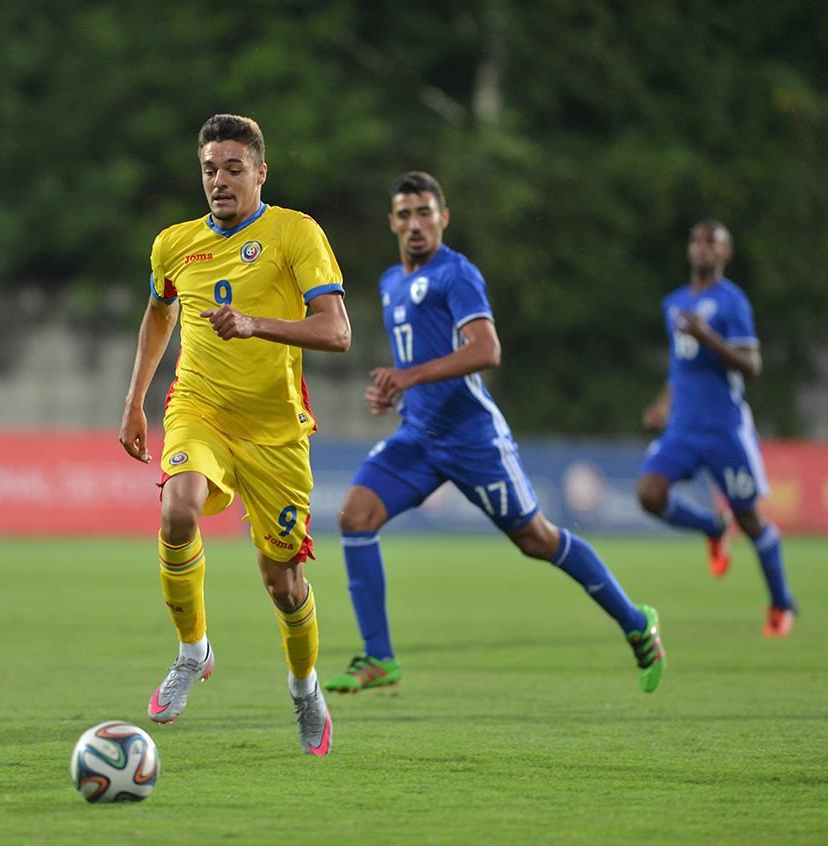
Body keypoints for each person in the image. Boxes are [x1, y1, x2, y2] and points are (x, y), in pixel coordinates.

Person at [323, 171, 666, 696]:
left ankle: (636, 622)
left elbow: (487, 350)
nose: (415, 224)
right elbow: (419, 358)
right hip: (418, 437)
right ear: (392, 221)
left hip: (472, 438)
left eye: (425, 213)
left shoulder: (457, 274)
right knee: (355, 515)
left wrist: (409, 376)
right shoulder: (392, 282)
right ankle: (379, 657)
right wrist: (396, 391)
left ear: (443, 217)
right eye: (405, 214)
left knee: (537, 539)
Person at [119, 114, 351, 756]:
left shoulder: (295, 232)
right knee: (178, 508)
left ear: (260, 173)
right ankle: (192, 650)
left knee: (283, 582)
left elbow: (337, 332)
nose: (218, 181)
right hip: (200, 408)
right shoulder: (174, 244)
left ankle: (304, 688)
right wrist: (135, 401)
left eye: (232, 168)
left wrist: (255, 324)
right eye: (209, 170)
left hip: (275, 431)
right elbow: (159, 312)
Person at [636, 220, 796, 637]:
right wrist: (663, 402)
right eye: (697, 241)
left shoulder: (732, 302)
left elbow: (752, 365)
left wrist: (710, 338)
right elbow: (680, 363)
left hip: (725, 428)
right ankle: (712, 527)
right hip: (683, 428)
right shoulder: (674, 302)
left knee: (750, 519)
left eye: (713, 242)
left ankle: (782, 603)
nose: (703, 248)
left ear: (725, 253)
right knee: (649, 494)